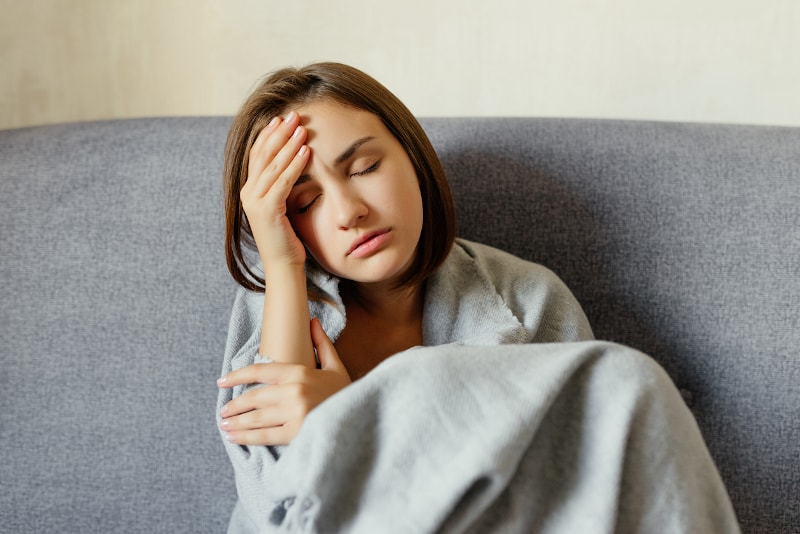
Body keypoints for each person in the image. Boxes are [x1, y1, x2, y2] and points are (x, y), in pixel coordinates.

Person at [216, 62, 739, 532]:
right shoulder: (275, 308)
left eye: (365, 168)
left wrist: (346, 421)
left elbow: (571, 495)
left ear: (413, 157)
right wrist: (283, 266)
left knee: (630, 382)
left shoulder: (529, 300)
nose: (348, 210)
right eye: (305, 202)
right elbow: (277, 513)